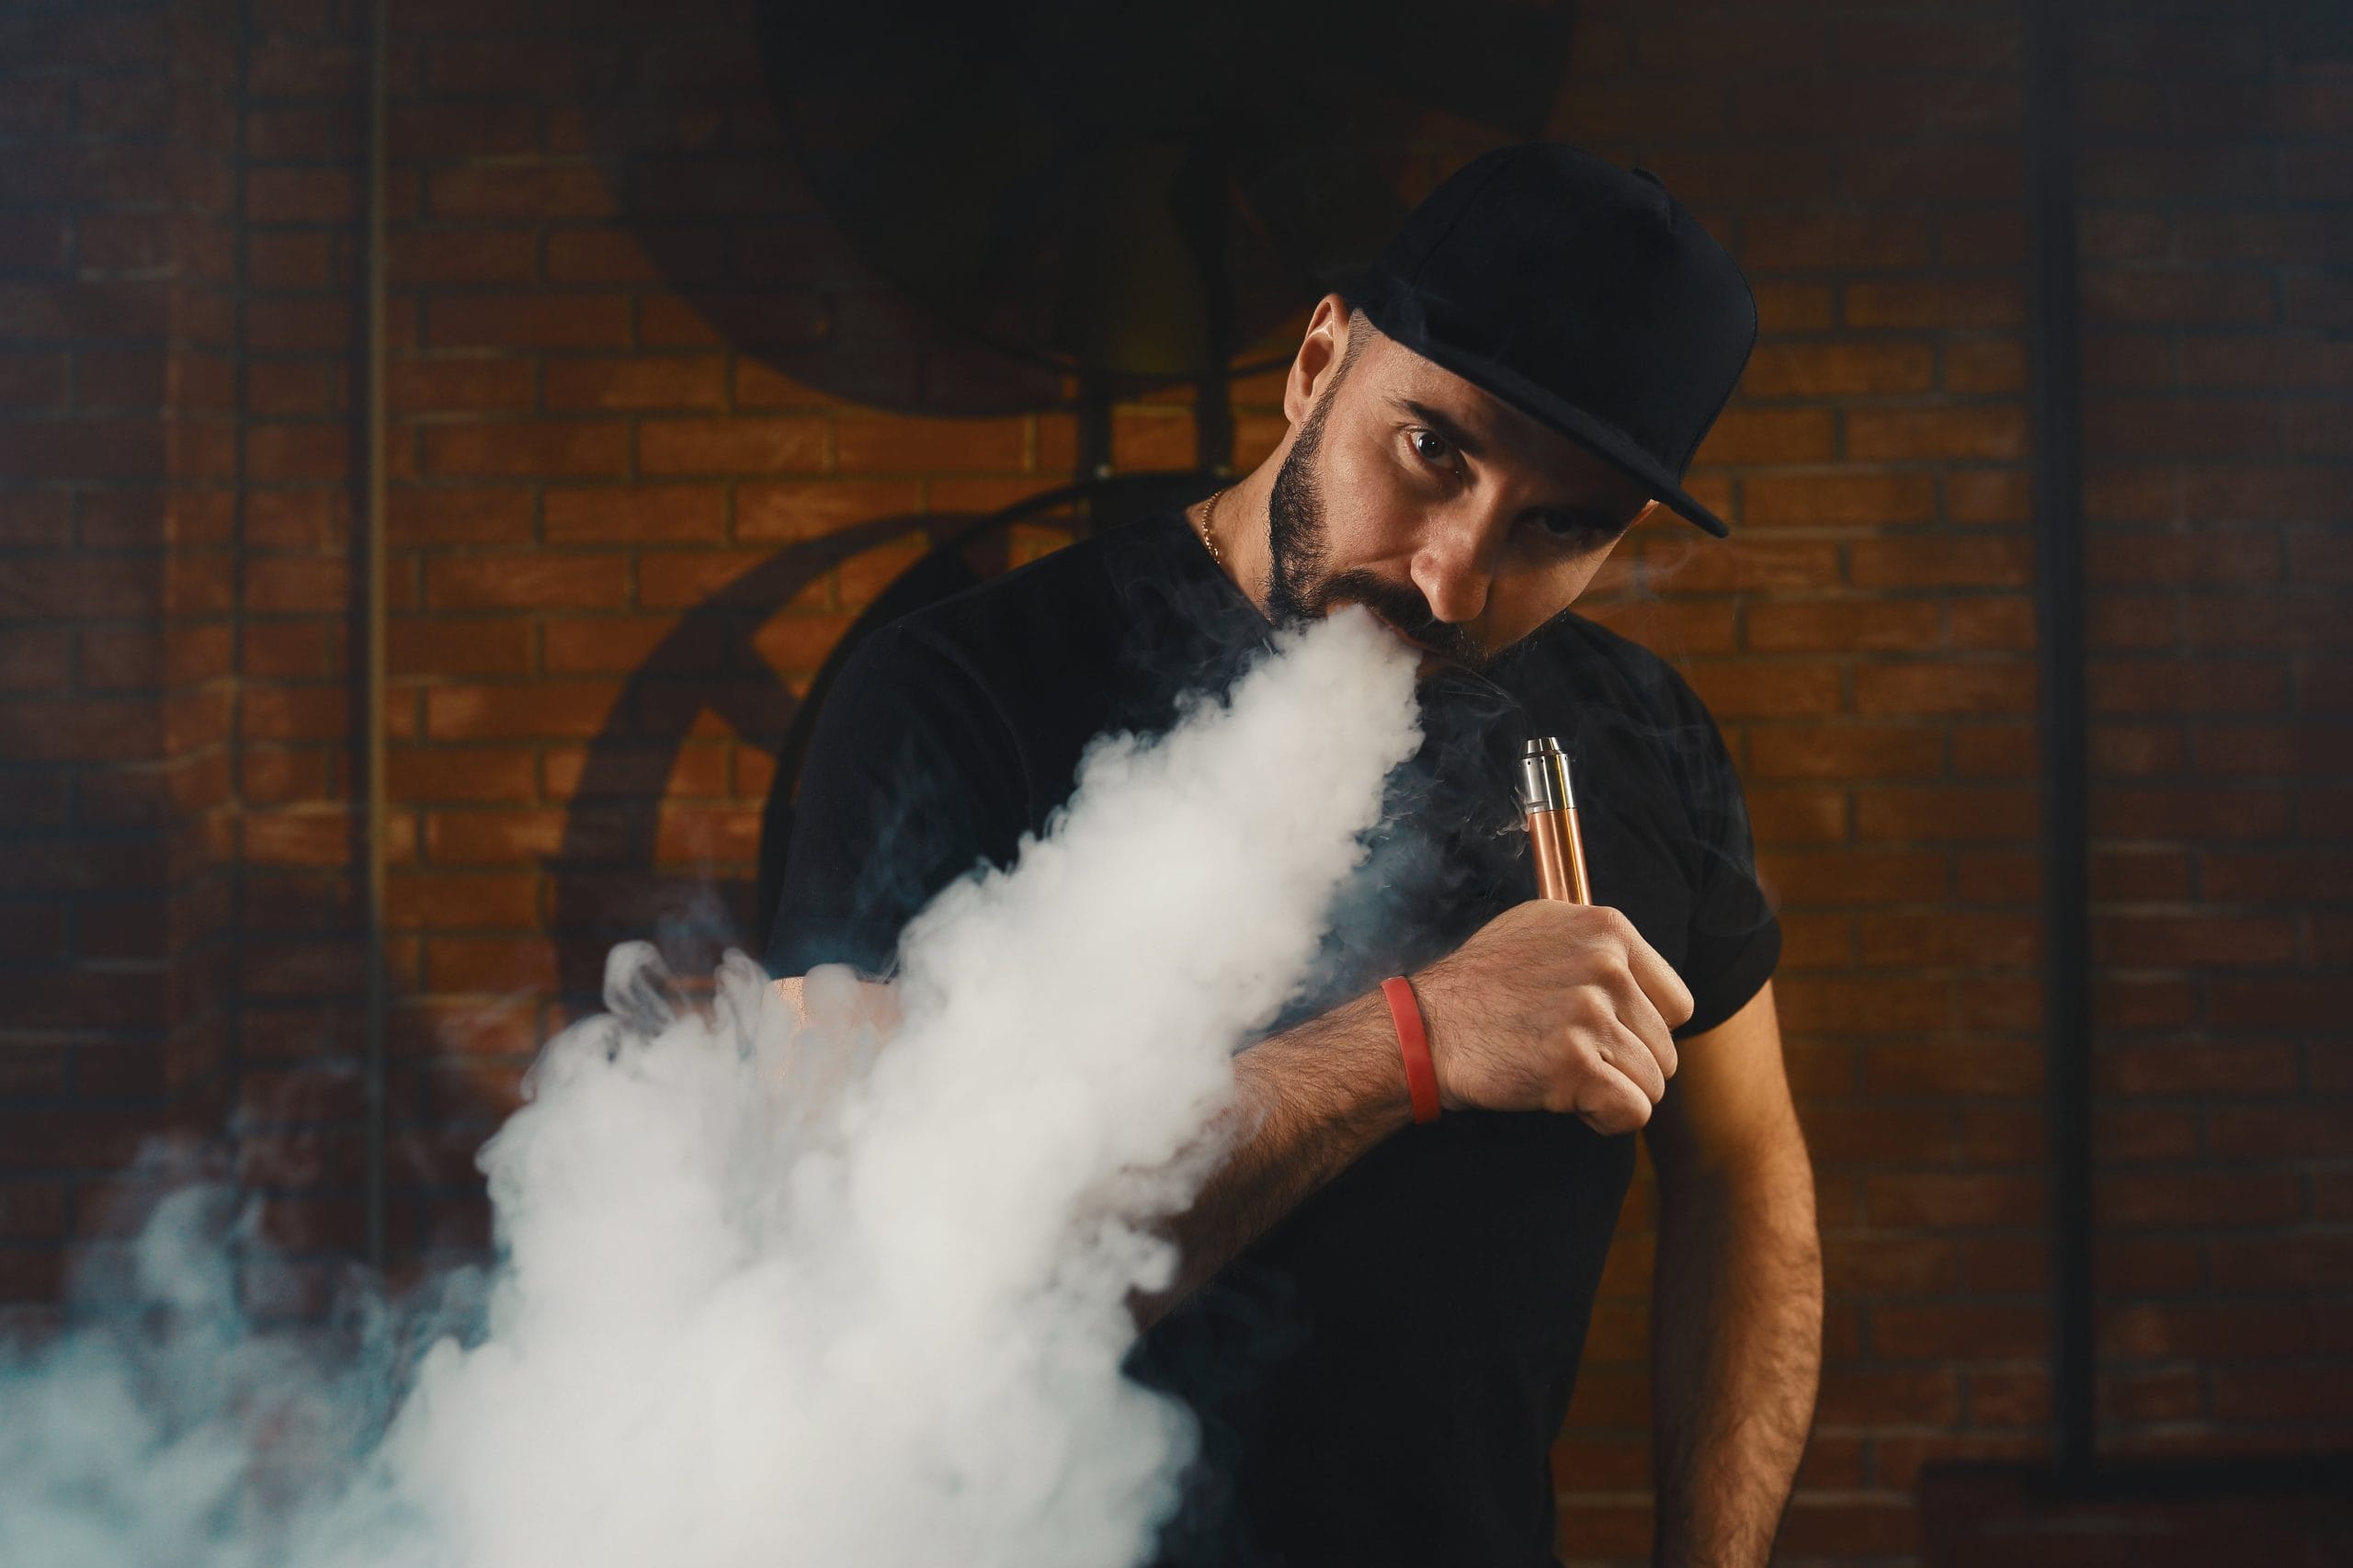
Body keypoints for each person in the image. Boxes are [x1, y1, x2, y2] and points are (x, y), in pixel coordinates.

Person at [765, 143, 1822, 1568]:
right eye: (1433, 450)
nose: (1453, 577)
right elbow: (870, 1261)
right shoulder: (959, 693)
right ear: (1320, 360)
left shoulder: (1644, 732)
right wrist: (1412, 1040)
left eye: (1556, 523)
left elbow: (1746, 1167)